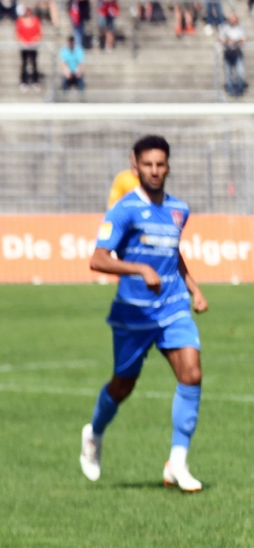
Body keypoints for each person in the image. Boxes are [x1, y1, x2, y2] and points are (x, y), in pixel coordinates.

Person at [80, 135, 206, 492]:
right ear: (134, 165)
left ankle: (177, 462)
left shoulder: (179, 210)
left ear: (168, 167)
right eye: (147, 164)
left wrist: (193, 288)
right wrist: (139, 269)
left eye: (160, 164)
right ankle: (94, 432)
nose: (154, 171)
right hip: (133, 314)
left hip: (172, 307)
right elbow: (98, 259)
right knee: (123, 385)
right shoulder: (124, 210)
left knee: (192, 374)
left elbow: (172, 253)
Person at [15, 3, 43, 87]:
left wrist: (34, 40)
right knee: (24, 63)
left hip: (33, 46)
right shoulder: (20, 20)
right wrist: (23, 42)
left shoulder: (36, 20)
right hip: (24, 46)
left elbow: (39, 33)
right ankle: (24, 81)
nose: (28, 13)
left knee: (34, 63)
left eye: (29, 11)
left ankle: (35, 81)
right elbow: (18, 34)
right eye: (26, 11)